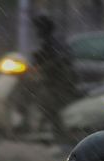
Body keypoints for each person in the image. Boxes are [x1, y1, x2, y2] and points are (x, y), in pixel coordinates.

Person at [28, 14, 78, 145]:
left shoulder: (54, 42)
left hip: (62, 83)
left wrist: (41, 68)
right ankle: (44, 129)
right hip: (55, 81)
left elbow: (57, 61)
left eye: (38, 28)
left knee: (49, 105)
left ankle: (61, 139)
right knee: (36, 94)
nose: (36, 32)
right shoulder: (49, 41)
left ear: (44, 29)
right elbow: (42, 56)